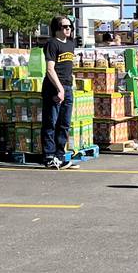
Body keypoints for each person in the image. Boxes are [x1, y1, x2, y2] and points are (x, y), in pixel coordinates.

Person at [41, 16, 78, 169]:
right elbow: (50, 69)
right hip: (54, 88)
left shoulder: (70, 44)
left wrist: (70, 84)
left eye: (70, 26)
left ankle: (60, 156)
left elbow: (68, 67)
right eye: (64, 26)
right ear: (57, 28)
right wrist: (59, 88)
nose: (68, 29)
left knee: (64, 123)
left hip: (68, 87)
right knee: (51, 122)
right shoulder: (52, 44)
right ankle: (49, 157)